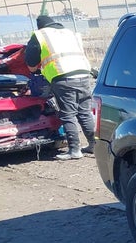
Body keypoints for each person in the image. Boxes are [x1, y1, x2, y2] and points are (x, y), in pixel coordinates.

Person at [25, 15, 95, 160]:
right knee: (84, 112)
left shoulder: (40, 34)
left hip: (63, 76)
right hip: (83, 74)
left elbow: (31, 63)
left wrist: (35, 70)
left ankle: (74, 150)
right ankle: (94, 145)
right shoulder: (68, 33)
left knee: (68, 114)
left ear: (40, 26)